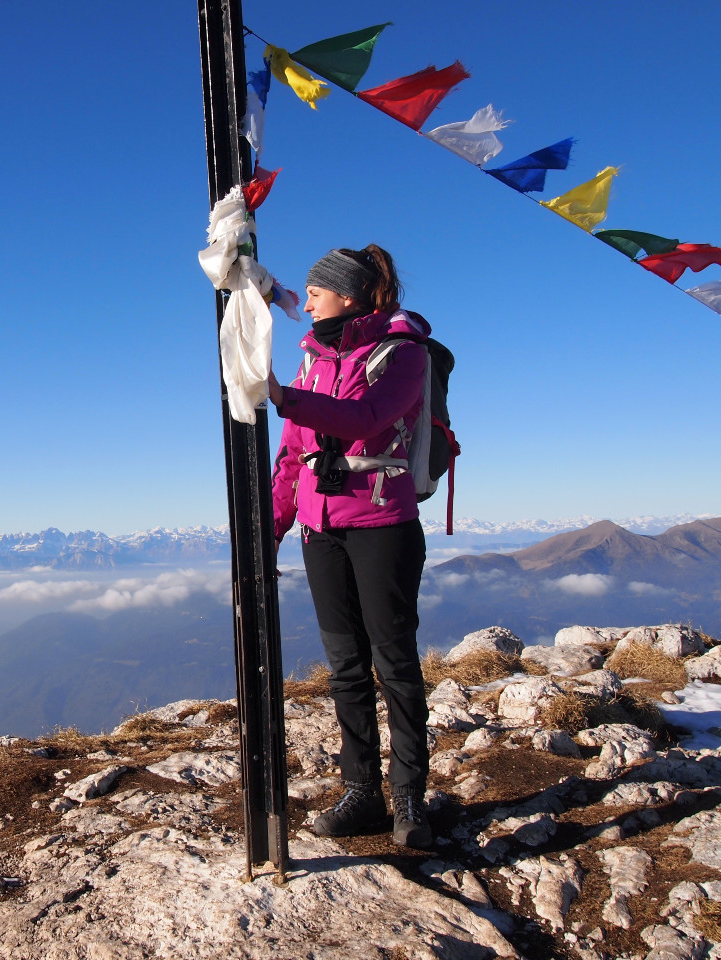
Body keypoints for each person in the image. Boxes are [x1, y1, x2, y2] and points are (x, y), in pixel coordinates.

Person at [266, 244, 433, 849]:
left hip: (382, 523)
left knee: (394, 663)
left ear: (350, 296)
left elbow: (364, 418)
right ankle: (361, 789)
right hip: (321, 530)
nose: (305, 300)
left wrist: (283, 396)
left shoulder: (403, 353)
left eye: (315, 291)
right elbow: (291, 456)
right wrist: (273, 528)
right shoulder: (312, 360)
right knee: (344, 668)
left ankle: (410, 795)